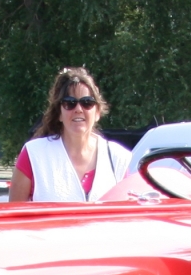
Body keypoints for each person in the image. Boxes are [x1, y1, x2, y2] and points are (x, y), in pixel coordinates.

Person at [9, 68, 132, 203]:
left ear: (97, 112)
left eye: (87, 103)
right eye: (70, 103)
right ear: (59, 113)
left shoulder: (118, 158)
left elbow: (126, 218)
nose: (78, 109)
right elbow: (13, 219)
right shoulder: (33, 154)